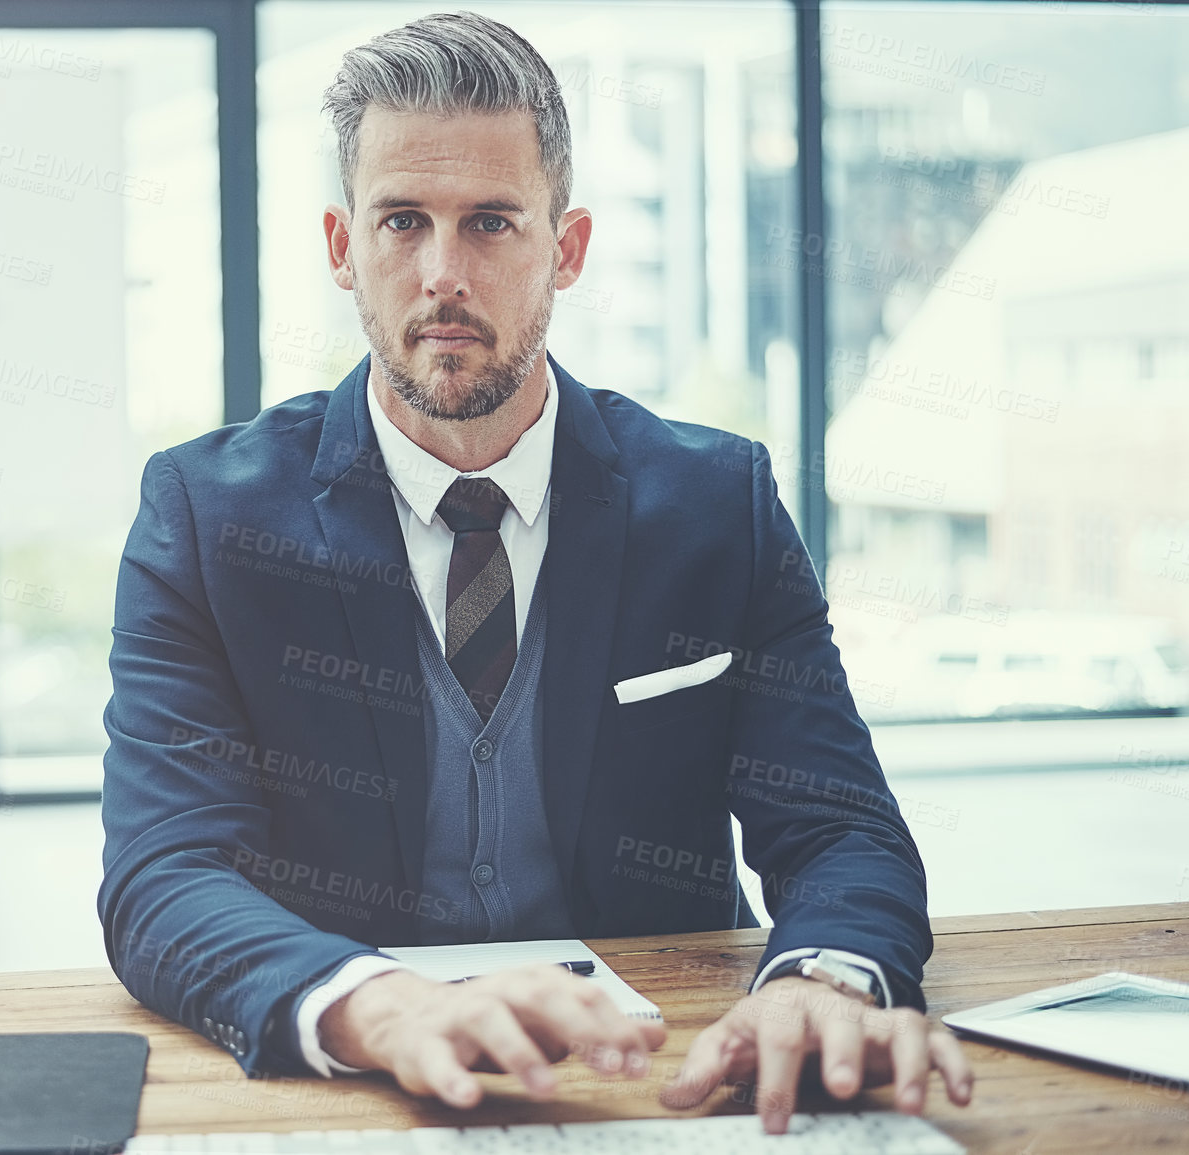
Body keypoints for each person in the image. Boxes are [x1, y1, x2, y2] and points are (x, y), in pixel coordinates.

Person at [97, 9, 972, 1135]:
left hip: (668, 1079)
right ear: (339, 246)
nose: (442, 275)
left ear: (566, 247)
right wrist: (381, 1006)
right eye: (401, 221)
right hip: (360, 1093)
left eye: (492, 223)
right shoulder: (206, 518)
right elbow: (164, 874)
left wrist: (822, 980)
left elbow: (843, 828)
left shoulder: (719, 506)